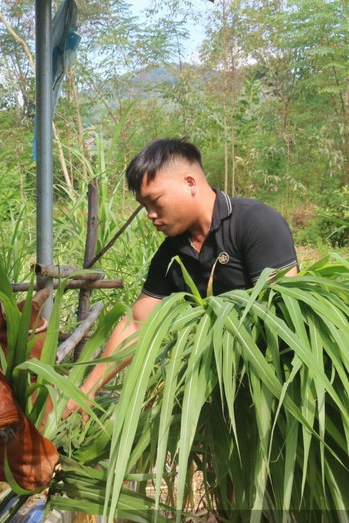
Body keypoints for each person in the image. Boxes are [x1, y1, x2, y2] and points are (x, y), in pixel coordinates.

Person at [63, 138, 299, 418]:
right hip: (216, 394)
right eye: (143, 205)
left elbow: (283, 312)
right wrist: (86, 391)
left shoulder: (255, 223)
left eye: (155, 201)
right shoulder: (170, 254)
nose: (150, 215)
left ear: (190, 183)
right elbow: (136, 324)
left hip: (278, 391)